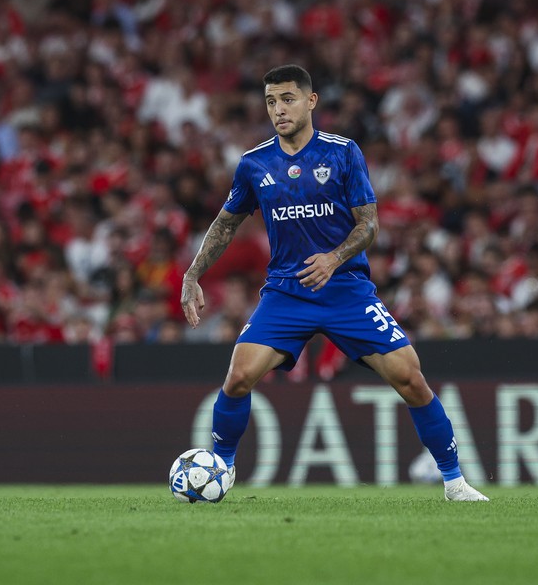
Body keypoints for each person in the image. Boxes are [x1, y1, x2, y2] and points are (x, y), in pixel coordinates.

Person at [180, 65, 488, 502]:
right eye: (271, 101)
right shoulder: (254, 164)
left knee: (410, 378)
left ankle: (455, 482)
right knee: (238, 377)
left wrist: (334, 257)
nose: (278, 109)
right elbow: (226, 224)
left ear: (311, 101)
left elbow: (369, 225)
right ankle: (222, 469)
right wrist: (193, 273)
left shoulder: (343, 153)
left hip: (345, 289)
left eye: (287, 98)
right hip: (287, 291)